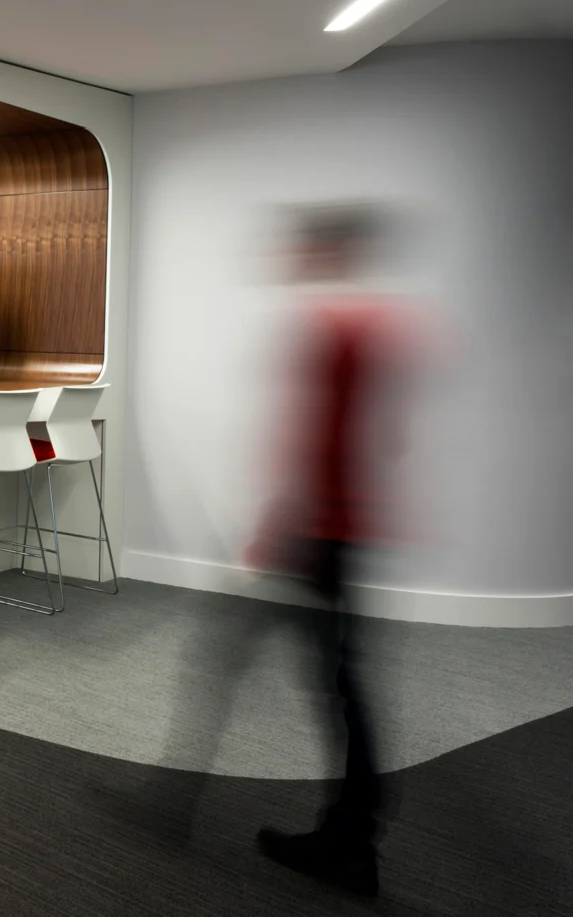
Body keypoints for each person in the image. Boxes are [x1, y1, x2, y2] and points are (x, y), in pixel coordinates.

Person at [247, 203, 405, 897]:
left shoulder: (336, 329)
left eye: (306, 246)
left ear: (329, 249)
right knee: (340, 677)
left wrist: (287, 519)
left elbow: (325, 440)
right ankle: (351, 828)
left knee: (339, 681)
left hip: (325, 530)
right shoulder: (373, 325)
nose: (294, 257)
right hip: (342, 525)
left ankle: (352, 834)